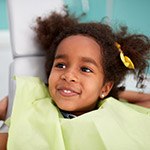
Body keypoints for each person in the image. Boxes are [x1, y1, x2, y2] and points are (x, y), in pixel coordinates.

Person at [0, 11, 150, 149]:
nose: (68, 75)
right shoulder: (36, 104)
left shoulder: (112, 111)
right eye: (61, 65)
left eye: (85, 69)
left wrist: (115, 94)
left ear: (105, 87)